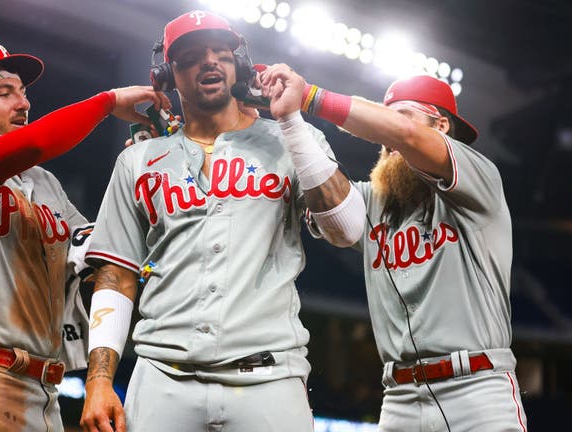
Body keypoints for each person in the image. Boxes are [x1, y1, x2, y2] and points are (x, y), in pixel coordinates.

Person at [78, 11, 366, 432]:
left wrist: (290, 121)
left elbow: (349, 229)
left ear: (240, 65)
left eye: (221, 52)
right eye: (192, 56)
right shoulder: (138, 159)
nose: (209, 61)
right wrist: (99, 380)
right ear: (169, 74)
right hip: (162, 378)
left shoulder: (290, 139)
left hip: (269, 380)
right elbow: (115, 274)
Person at [0, 42, 169, 431]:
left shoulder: (45, 184)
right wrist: (107, 102)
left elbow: (100, 248)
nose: (22, 103)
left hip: (46, 392)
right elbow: (37, 142)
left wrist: (150, 173)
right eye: (4, 93)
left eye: (23, 92)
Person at [271, 71, 528, 430]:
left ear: (439, 126)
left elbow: (406, 135)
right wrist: (289, 120)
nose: (386, 136)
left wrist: (311, 97)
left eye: (400, 116)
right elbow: (336, 217)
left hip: (476, 388)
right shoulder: (373, 198)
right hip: (399, 397)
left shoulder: (478, 176)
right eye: (383, 123)